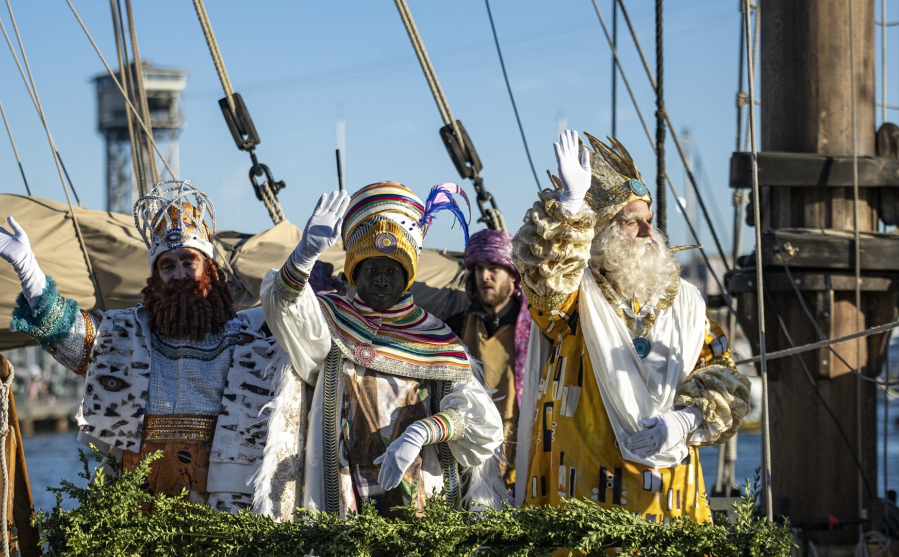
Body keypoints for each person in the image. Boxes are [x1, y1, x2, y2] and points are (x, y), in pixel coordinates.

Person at [0, 180, 291, 512]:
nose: (179, 274)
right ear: (156, 278)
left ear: (209, 269)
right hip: (138, 498)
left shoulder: (249, 335)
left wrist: (303, 260)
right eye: (167, 266)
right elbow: (70, 334)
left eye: (189, 262)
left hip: (222, 499)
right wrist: (28, 271)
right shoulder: (128, 333)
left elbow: (300, 331)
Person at [512, 131, 751, 523]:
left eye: (650, 221)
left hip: (667, 491)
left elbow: (723, 371)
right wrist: (570, 207)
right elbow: (545, 283)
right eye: (632, 222)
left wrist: (687, 418)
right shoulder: (577, 297)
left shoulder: (686, 301)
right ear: (604, 233)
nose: (648, 232)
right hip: (585, 484)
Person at [260, 181, 506, 518]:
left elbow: (482, 423)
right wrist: (304, 255)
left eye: (392, 271)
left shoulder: (436, 339)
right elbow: (285, 310)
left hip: (419, 497)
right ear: (354, 272)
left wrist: (423, 431)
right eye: (371, 269)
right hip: (340, 493)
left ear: (407, 276)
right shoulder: (331, 321)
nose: (381, 280)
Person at [445, 229, 533, 492]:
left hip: (525, 464)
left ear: (513, 274)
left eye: (494, 268)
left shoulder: (536, 332)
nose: (484, 276)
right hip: (467, 464)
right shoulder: (454, 328)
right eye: (479, 268)